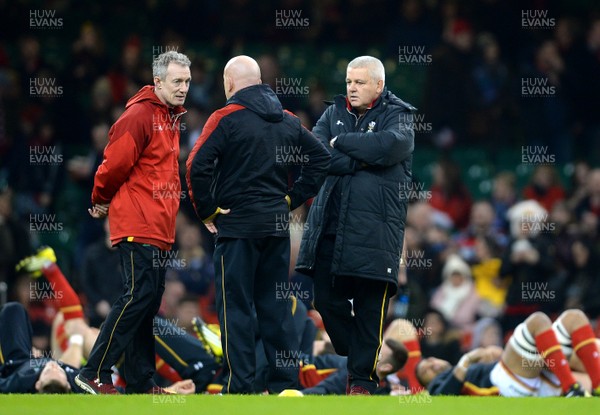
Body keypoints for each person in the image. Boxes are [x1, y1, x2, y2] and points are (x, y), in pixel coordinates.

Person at [186, 55, 330, 394]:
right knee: (276, 308)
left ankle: (241, 388)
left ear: (230, 84)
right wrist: (292, 199)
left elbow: (196, 165)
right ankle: (285, 386)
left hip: (236, 229)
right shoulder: (286, 119)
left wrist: (208, 211)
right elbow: (322, 157)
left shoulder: (225, 118)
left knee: (235, 308)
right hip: (276, 228)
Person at [296, 55, 416, 395]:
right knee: (325, 300)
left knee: (369, 306)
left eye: (360, 82)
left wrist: (341, 143)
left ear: (379, 85)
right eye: (349, 81)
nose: (352, 88)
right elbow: (314, 153)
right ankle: (360, 352)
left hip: (376, 231)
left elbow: (390, 146)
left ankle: (362, 384)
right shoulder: (333, 112)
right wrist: (362, 157)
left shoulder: (399, 114)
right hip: (330, 224)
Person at [75, 50, 192, 395]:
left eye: (187, 81)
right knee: (136, 296)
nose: (184, 87)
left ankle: (140, 382)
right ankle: (93, 371)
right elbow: (112, 165)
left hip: (158, 227)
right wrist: (99, 198)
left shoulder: (168, 117)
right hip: (138, 222)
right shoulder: (140, 114)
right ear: (157, 81)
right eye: (177, 81)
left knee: (146, 301)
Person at [416, 309, 600, 397]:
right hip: (504, 385)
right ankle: (572, 389)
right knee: (538, 321)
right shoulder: (436, 387)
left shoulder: (457, 365)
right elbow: (443, 396)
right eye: (427, 371)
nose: (433, 365)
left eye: (429, 360)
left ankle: (596, 386)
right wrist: (470, 358)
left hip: (535, 378)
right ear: (427, 382)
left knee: (574, 318)